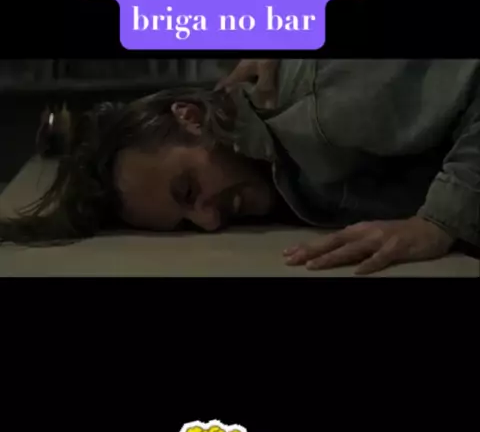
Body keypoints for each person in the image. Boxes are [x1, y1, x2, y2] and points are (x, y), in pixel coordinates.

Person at [0, 59, 478, 274]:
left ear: (191, 118)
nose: (209, 221)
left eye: (188, 191)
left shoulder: (321, 100)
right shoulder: (274, 170)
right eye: (186, 224)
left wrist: (438, 221)